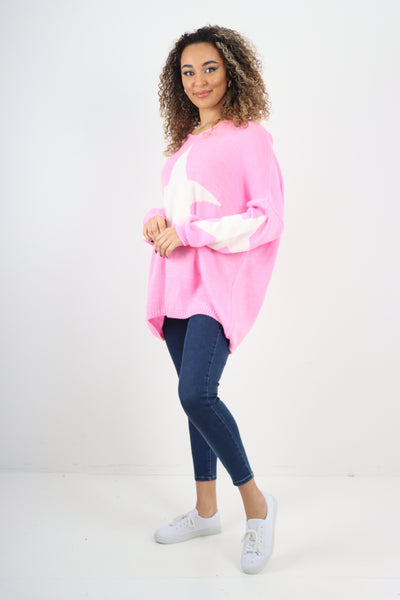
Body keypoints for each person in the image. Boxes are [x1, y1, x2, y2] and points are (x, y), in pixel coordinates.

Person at [142, 24, 284, 574]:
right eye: (187, 72)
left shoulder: (250, 136)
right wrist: (157, 220)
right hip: (175, 282)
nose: (198, 80)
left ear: (232, 70)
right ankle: (206, 510)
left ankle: (257, 505)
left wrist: (190, 233)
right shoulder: (185, 143)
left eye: (209, 68)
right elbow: (182, 208)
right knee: (192, 400)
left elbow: (266, 218)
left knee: (196, 393)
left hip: (215, 286)